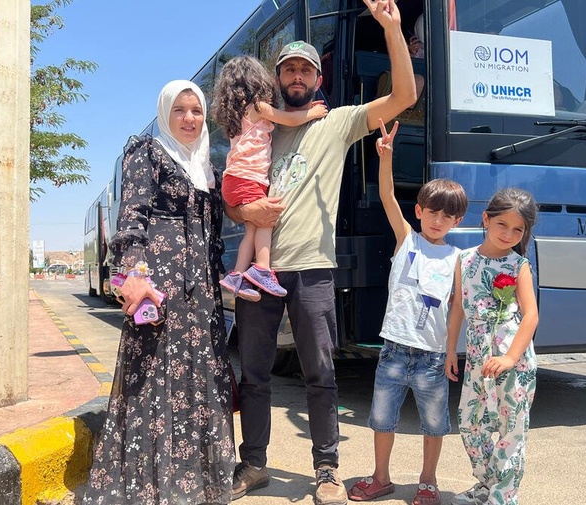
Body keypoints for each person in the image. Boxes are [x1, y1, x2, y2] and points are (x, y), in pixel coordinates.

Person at [226, 0, 418, 503]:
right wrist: (249, 215)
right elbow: (233, 200)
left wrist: (393, 30)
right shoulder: (257, 127)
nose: (296, 75)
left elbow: (404, 94)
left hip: (312, 268)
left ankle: (327, 470)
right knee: (254, 373)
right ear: (277, 77)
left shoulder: (337, 123)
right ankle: (254, 465)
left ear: (317, 76)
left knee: (321, 374)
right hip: (260, 275)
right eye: (288, 67)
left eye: (305, 68)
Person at [81, 80, 234, 504]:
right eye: (180, 111)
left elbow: (213, 235)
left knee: (198, 380)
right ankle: (149, 486)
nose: (189, 119)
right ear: (166, 115)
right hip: (158, 286)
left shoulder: (206, 167)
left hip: (201, 292)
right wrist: (131, 272)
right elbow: (131, 214)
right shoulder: (147, 152)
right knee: (153, 378)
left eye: (197, 111)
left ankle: (192, 483)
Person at [348, 120, 467, 505]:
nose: (438, 220)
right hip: (395, 349)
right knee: (382, 418)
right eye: (432, 212)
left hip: (432, 357)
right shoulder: (407, 239)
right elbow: (385, 195)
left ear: (457, 221)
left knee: (435, 424)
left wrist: (451, 351)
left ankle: (427, 481)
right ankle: (381, 477)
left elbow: (457, 309)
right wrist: (386, 156)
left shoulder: (456, 258)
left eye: (447, 216)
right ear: (418, 211)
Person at [445, 188, 539, 505]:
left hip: (514, 362)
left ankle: (504, 496)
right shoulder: (465, 259)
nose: (509, 234)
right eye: (503, 225)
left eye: (518, 229)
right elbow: (458, 306)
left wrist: (511, 357)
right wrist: (450, 351)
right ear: (486, 219)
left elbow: (531, 316)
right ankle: (487, 484)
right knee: (470, 424)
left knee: (511, 430)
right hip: (477, 360)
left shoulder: (518, 265)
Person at [212, 55, 328, 301]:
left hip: (234, 180)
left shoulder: (238, 114)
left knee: (251, 231)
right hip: (248, 179)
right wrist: (313, 113)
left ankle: (237, 276)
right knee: (265, 221)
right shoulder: (257, 107)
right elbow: (289, 118)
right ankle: (263, 269)